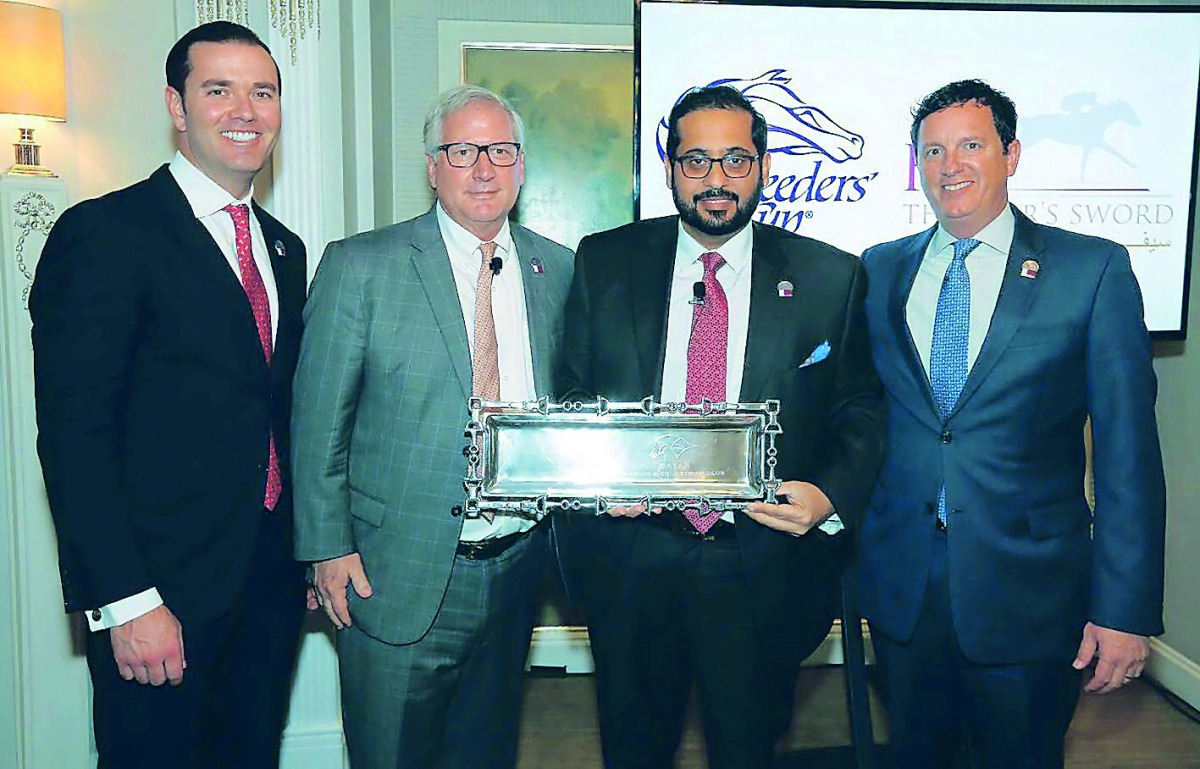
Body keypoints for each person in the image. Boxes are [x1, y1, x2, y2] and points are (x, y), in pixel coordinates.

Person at [556, 84, 885, 769]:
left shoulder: (830, 276)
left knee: (747, 749)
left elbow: (859, 407)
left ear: (763, 167)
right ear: (670, 168)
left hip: (759, 562)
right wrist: (601, 476)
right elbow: (573, 392)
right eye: (696, 160)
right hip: (632, 556)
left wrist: (827, 495)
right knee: (635, 750)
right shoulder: (605, 261)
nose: (716, 179)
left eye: (735, 160)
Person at [859, 79, 1167, 768]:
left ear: (1012, 154)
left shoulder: (1090, 270)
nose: (950, 166)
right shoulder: (879, 270)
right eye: (933, 151)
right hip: (905, 590)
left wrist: (1124, 609)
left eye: (971, 145)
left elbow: (1128, 456)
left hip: (1030, 593)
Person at [30, 21, 308, 769]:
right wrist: (126, 599)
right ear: (177, 107)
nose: (245, 110)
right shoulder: (106, 232)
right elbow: (74, 435)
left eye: (263, 92)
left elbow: (276, 415)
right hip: (158, 597)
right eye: (219, 90)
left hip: (267, 590)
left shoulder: (284, 248)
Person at [293, 85, 573, 769]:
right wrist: (327, 547)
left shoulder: (559, 269)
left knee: (486, 753)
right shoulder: (361, 266)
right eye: (462, 151)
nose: (483, 168)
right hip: (395, 573)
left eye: (500, 151)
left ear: (521, 164)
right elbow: (318, 422)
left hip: (517, 569)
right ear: (431, 166)